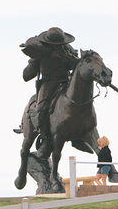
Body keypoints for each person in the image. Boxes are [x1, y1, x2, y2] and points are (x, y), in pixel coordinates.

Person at [20, 27, 79, 158]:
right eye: (55, 46)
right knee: (41, 110)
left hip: (66, 84)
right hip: (48, 85)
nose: (58, 47)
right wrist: (38, 59)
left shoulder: (67, 49)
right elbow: (26, 75)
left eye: (59, 45)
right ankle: (45, 139)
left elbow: (76, 65)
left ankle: (79, 136)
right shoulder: (41, 52)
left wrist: (68, 58)